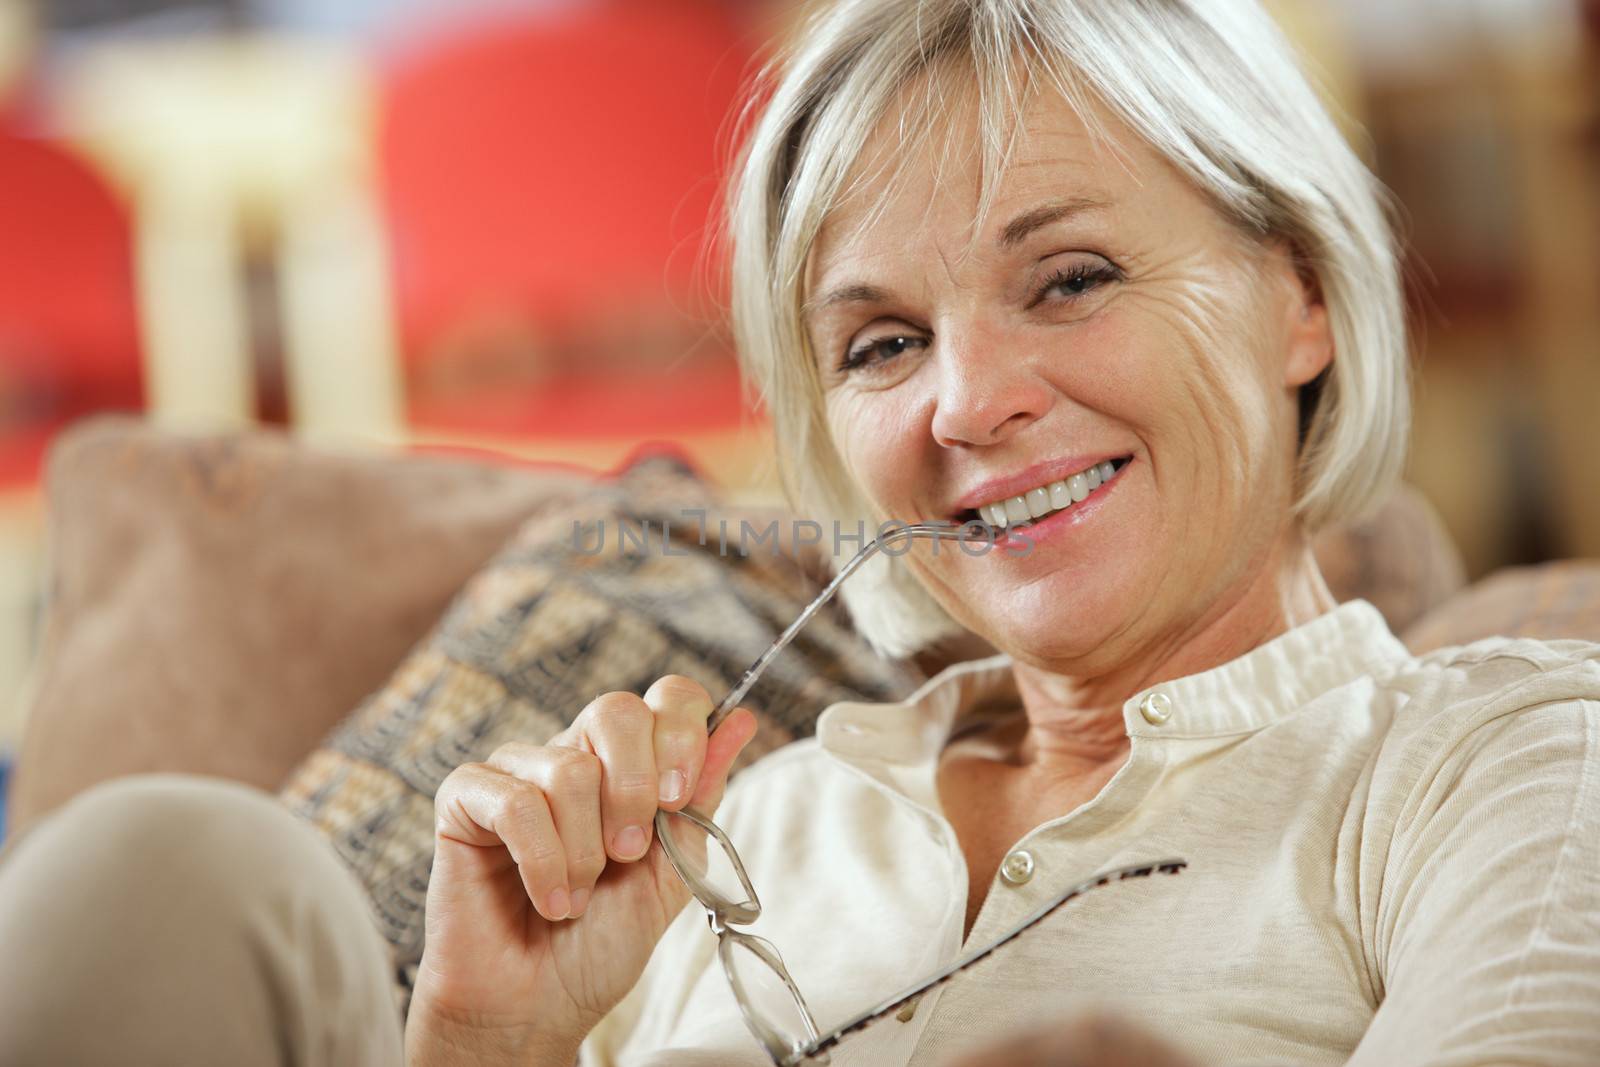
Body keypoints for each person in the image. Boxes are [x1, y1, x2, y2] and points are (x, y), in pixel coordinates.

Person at [0, 1, 1595, 1065]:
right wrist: (494, 1043)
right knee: (175, 860)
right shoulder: (758, 827)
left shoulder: (1497, 764)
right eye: (882, 343)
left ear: (1301, 296)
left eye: (1073, 278)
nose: (965, 405)